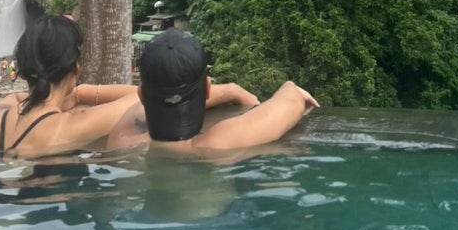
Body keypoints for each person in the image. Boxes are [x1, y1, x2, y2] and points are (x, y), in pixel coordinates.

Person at [0, 15, 255, 160]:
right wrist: (230, 91)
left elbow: (21, 97)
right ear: (76, 66)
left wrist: (66, 94)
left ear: (23, 67)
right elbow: (152, 96)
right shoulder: (72, 125)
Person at [106, 29, 318, 153]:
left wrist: (228, 91)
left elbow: (147, 102)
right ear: (208, 88)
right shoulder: (217, 143)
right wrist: (231, 91)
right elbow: (291, 98)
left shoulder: (121, 140)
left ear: (141, 95)